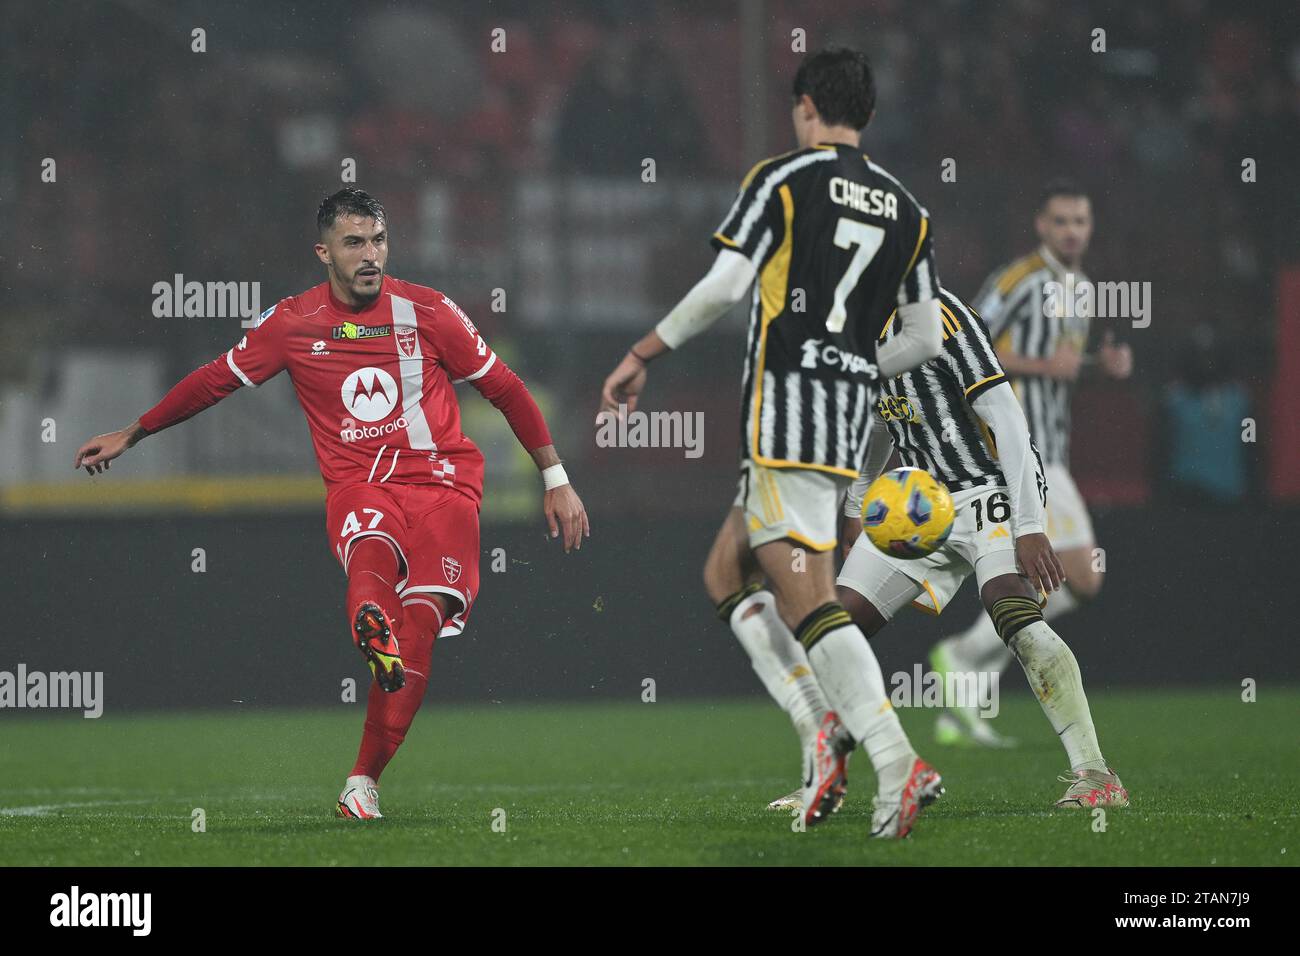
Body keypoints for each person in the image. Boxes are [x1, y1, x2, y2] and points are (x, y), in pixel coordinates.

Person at [74, 187, 589, 819]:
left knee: (421, 624)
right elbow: (214, 381)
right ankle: (372, 625)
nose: (370, 254)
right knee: (372, 552)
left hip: (444, 486)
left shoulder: (429, 313)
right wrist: (133, 432)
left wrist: (556, 477)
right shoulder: (292, 324)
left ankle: (362, 779)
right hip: (360, 486)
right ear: (324, 252)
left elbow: (505, 387)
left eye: (378, 240)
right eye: (354, 243)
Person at [599, 49, 946, 838]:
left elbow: (726, 285)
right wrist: (858, 362)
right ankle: (819, 728)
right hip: (847, 423)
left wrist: (644, 351)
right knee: (727, 570)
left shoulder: (784, 179)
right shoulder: (907, 207)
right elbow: (925, 336)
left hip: (785, 416)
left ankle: (895, 759)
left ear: (804, 105)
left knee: (808, 598)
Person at [928, 179, 1133, 747]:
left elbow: (1064, 365)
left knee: (1049, 579)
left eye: (1081, 221)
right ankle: (964, 655)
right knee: (1083, 574)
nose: (1072, 231)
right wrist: (1049, 367)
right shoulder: (1019, 281)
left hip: (1053, 451)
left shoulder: (1083, 289)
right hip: (1020, 450)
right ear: (1041, 226)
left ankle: (963, 701)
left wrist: (1100, 366)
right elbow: (965, 342)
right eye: (1061, 220)